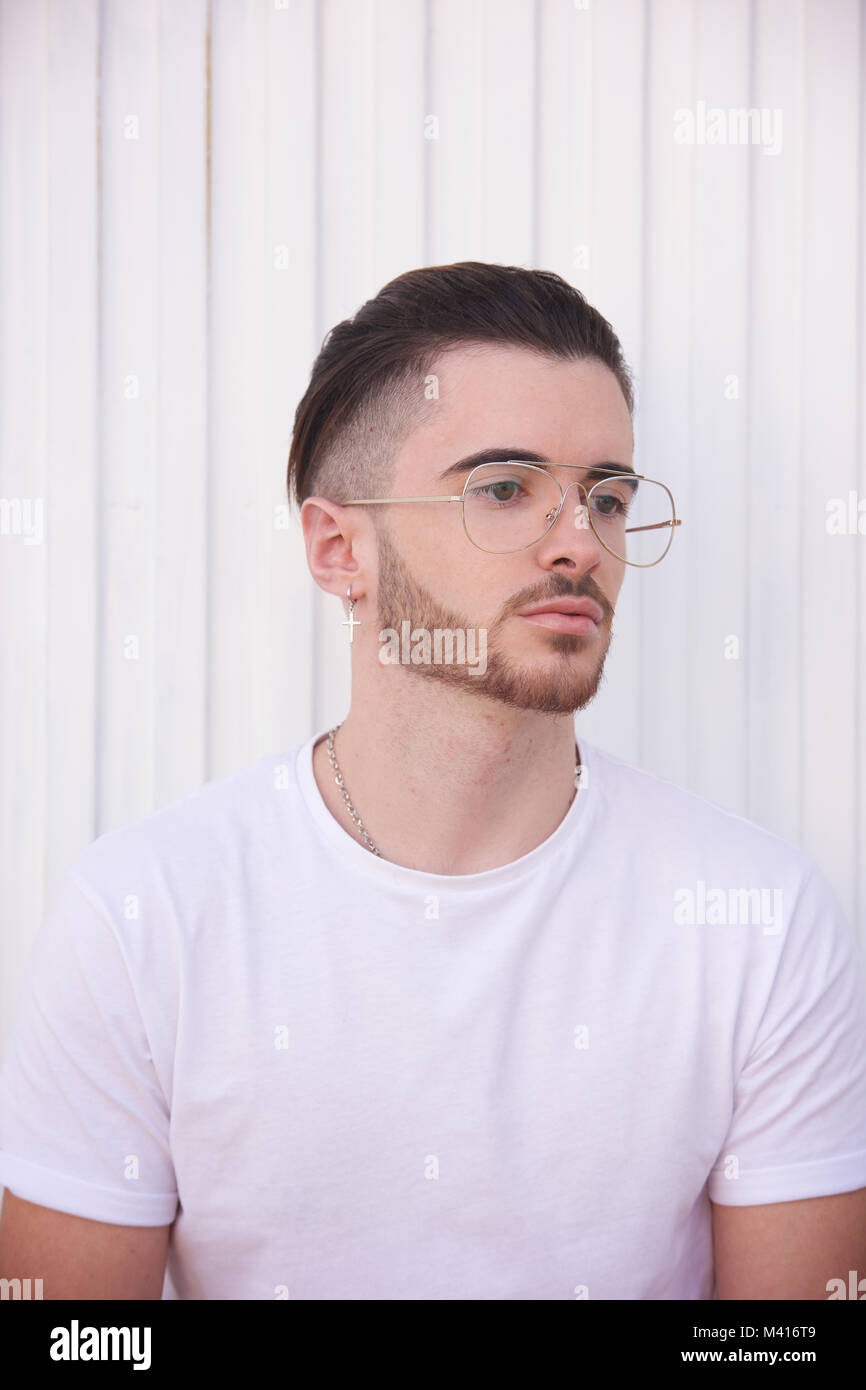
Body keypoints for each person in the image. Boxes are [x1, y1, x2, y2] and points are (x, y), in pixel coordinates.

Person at [1, 262, 865, 1300]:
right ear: (338, 549)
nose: (577, 544)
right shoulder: (143, 915)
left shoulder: (755, 922)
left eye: (606, 495)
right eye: (504, 488)